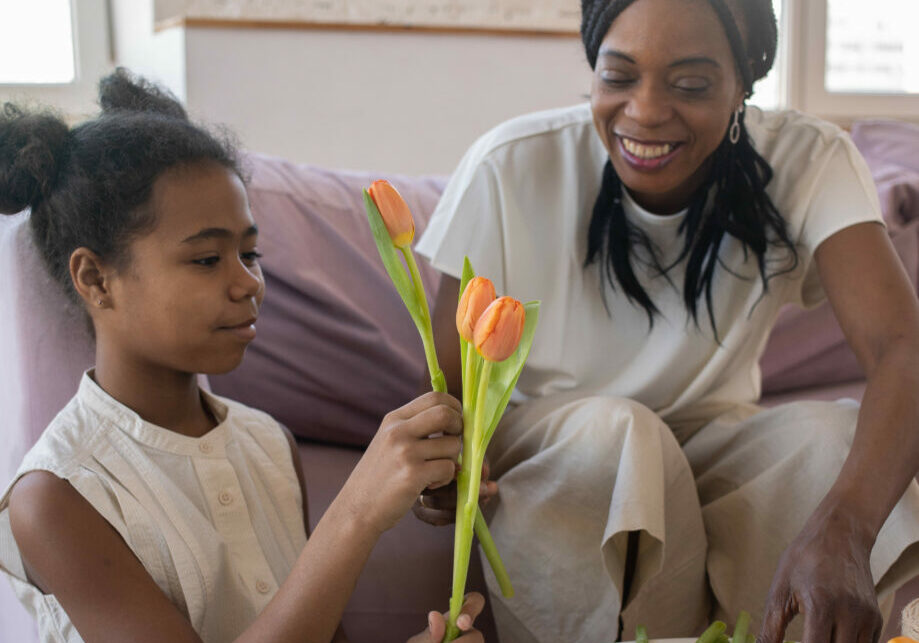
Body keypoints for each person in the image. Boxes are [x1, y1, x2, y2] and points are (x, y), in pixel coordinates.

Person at [412, 0, 919, 641]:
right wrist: (446, 466)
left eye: (691, 85)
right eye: (619, 76)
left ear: (744, 84)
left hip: (713, 440)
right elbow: (448, 390)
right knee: (619, 432)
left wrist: (847, 524)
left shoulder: (811, 158)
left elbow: (903, 348)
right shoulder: (509, 165)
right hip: (563, 447)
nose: (645, 111)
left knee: (832, 438)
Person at [0, 69, 485, 643]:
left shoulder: (268, 443)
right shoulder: (57, 495)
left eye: (249, 253)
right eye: (206, 259)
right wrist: (355, 511)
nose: (248, 284)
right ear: (95, 277)